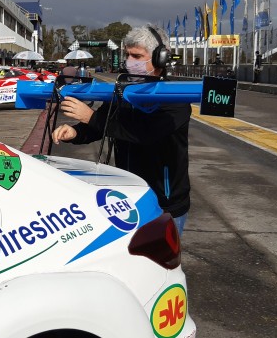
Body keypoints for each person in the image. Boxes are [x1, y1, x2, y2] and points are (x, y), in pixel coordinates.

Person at [52, 25, 191, 235]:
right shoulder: (124, 90)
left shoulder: (175, 99)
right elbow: (102, 124)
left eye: (137, 55)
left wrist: (90, 117)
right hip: (128, 195)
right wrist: (76, 133)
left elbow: (143, 134)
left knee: (159, 265)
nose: (130, 61)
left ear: (160, 59)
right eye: (127, 55)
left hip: (164, 202)